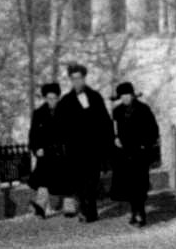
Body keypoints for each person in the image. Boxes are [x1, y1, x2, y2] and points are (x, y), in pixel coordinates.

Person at [51, 62, 112, 223]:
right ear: (70, 80)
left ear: (84, 78)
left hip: (93, 148)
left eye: (79, 78)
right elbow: (58, 126)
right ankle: (86, 211)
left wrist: (106, 145)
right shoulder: (65, 101)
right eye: (73, 79)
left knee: (92, 181)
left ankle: (90, 212)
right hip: (75, 150)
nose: (76, 82)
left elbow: (105, 122)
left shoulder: (95, 97)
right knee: (79, 182)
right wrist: (61, 146)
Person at [108, 81, 160, 227]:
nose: (125, 98)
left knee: (140, 184)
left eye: (127, 95)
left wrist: (144, 145)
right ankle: (134, 211)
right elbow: (112, 130)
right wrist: (115, 139)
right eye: (122, 96)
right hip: (124, 154)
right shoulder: (117, 111)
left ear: (132, 95)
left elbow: (153, 130)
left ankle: (140, 213)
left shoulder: (143, 109)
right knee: (129, 185)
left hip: (139, 153)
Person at [25, 82, 64, 218]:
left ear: (58, 97)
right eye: (49, 98)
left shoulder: (66, 112)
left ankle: (71, 204)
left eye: (54, 98)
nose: (51, 101)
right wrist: (36, 149)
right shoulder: (39, 113)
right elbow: (33, 135)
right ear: (45, 98)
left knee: (67, 180)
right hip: (46, 153)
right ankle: (41, 206)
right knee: (43, 178)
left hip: (63, 153)